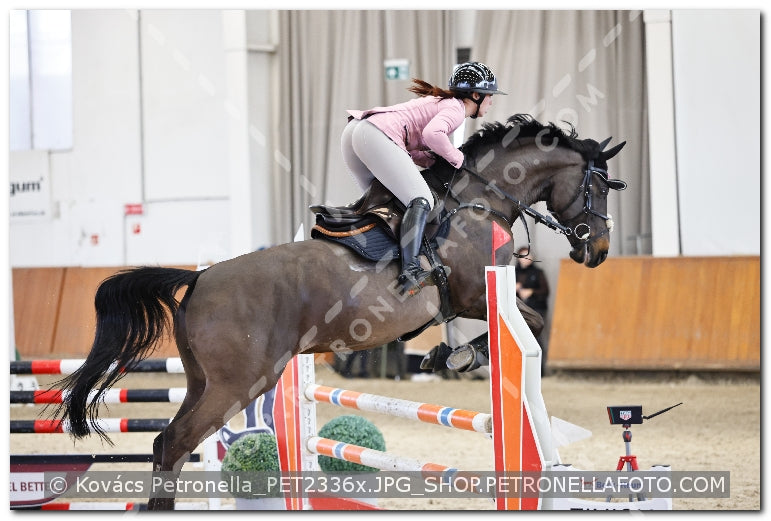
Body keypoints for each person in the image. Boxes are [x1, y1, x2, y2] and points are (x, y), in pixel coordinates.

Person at [342, 62, 506, 296]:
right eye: (490, 96)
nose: (492, 102)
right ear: (476, 95)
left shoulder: (441, 103)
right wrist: (458, 158)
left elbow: (416, 147)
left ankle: (375, 257)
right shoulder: (456, 109)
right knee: (421, 199)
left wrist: (432, 160)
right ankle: (410, 269)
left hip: (355, 131)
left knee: (383, 203)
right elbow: (432, 135)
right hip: (374, 133)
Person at [515, 247, 550, 374]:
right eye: (522, 256)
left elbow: (545, 291)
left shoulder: (537, 272)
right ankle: (522, 370)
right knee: (518, 340)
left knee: (537, 339)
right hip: (518, 312)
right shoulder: (513, 273)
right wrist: (513, 288)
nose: (525, 259)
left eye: (528, 256)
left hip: (536, 310)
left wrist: (531, 292)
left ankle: (539, 371)